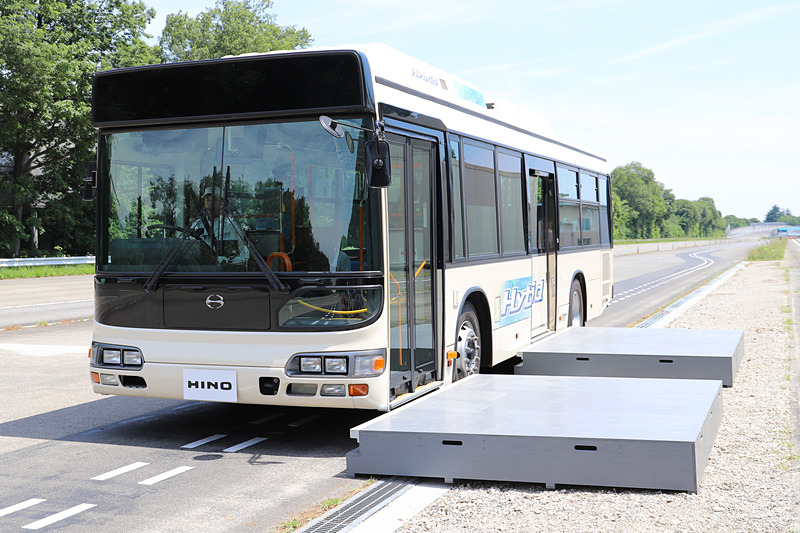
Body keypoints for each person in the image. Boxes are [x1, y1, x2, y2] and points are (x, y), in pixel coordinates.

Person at [194, 187, 249, 268]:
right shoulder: (196, 225)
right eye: (207, 200)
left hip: (223, 274)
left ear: (222, 203)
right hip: (197, 272)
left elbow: (242, 257)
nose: (210, 203)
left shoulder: (232, 225)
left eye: (215, 200)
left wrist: (224, 261)